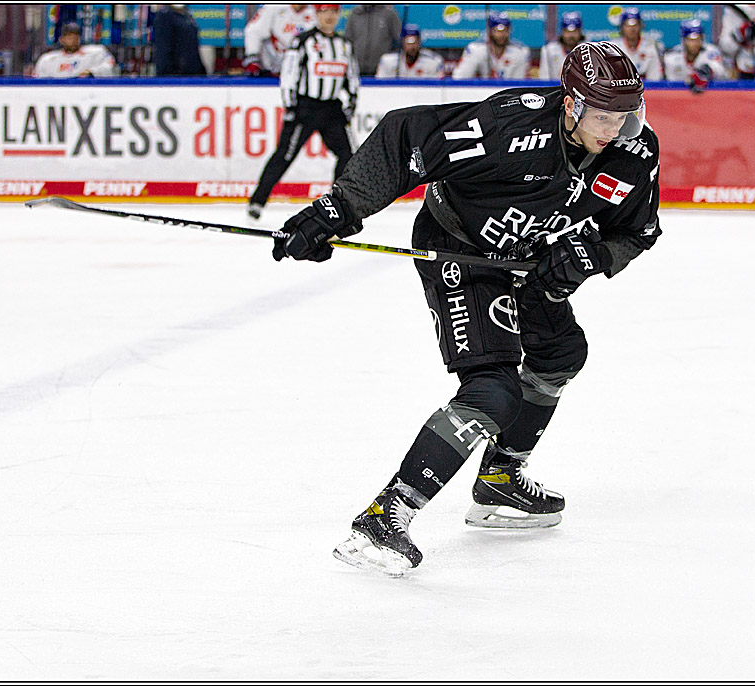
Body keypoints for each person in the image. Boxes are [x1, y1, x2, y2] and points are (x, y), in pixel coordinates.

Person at [271, 41, 661, 576]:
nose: (616, 129)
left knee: (560, 354)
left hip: (532, 261)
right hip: (463, 252)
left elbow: (637, 233)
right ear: (570, 104)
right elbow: (406, 136)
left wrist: (587, 256)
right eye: (602, 116)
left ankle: (500, 479)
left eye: (627, 116)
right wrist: (336, 210)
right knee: (492, 390)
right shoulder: (511, 128)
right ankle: (384, 518)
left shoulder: (636, 153)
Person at [247, 4, 359, 221]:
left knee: (347, 155)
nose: (329, 16)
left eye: (334, 12)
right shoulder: (303, 41)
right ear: (317, 14)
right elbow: (289, 73)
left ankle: (336, 203)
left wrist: (352, 100)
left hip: (332, 108)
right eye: (325, 11)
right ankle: (257, 201)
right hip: (305, 108)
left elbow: (351, 76)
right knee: (285, 154)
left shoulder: (344, 45)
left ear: (339, 15)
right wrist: (290, 106)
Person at [452, 11, 531, 79]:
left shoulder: (519, 52)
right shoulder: (475, 50)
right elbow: (459, 77)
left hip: (507, 94)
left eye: (505, 31)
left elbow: (519, 84)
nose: (501, 35)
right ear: (490, 31)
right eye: (497, 31)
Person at [243, 4, 316, 77]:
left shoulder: (315, 10)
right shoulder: (273, 7)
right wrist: (252, 58)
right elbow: (254, 31)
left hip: (303, 66)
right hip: (273, 65)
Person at [663, 19, 726, 92]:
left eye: (698, 39)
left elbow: (720, 71)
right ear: (683, 40)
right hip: (677, 96)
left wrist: (709, 71)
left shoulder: (711, 52)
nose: (695, 44)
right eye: (691, 40)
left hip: (706, 95)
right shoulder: (671, 56)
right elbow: (668, 85)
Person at [33, 22, 115, 78]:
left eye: (76, 37)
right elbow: (37, 79)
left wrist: (92, 72)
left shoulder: (96, 52)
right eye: (69, 37)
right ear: (62, 39)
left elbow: (109, 68)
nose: (73, 40)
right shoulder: (48, 59)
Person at [345, 4, 402, 77]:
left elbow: (399, 40)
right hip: (356, 71)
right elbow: (348, 41)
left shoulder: (388, 13)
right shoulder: (356, 13)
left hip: (381, 72)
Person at [152, 4, 207, 76]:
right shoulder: (164, 15)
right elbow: (163, 49)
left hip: (193, 72)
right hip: (176, 75)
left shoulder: (187, 15)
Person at [610, 8, 664, 80]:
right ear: (622, 27)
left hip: (648, 88)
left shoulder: (652, 46)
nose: (632, 29)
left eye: (635, 25)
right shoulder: (613, 47)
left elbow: (655, 78)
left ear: (640, 26)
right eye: (628, 25)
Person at [375, 24, 444, 79]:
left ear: (420, 42)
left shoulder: (433, 62)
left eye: (415, 42)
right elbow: (378, 84)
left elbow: (438, 87)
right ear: (402, 43)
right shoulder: (388, 61)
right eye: (408, 43)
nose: (412, 47)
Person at [538, 11, 585, 80]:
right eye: (567, 32)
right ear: (562, 32)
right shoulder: (549, 50)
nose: (571, 36)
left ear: (580, 32)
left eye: (575, 32)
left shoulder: (588, 51)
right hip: (554, 89)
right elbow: (544, 78)